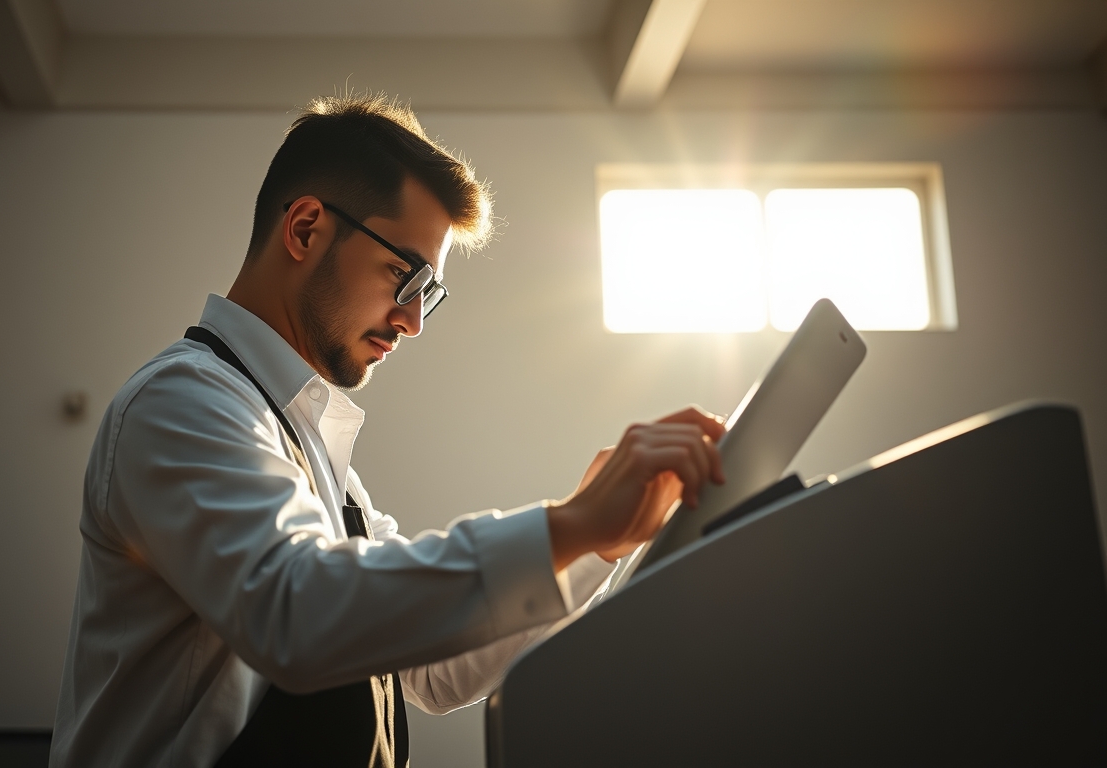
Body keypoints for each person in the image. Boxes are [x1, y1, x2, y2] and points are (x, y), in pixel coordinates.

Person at [50, 93, 725, 768]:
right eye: (406, 275)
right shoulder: (181, 402)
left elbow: (432, 673)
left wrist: (595, 545)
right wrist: (568, 526)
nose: (413, 321)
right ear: (306, 228)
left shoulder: (306, 443)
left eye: (429, 292)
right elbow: (295, 612)